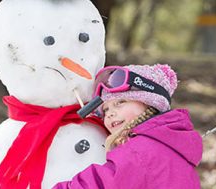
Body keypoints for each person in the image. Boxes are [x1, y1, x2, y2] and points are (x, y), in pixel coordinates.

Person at [53, 64, 203, 189]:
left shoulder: (141, 150)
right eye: (105, 110)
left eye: (120, 102)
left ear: (148, 103)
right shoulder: (168, 145)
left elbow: (102, 184)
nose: (110, 113)